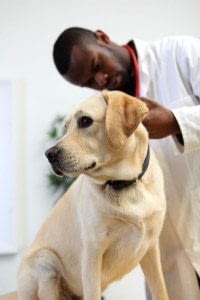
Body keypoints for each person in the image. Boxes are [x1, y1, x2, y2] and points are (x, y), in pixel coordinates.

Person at [53, 27, 200, 300]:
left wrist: (175, 121)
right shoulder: (107, 115)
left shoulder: (181, 53)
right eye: (89, 82)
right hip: (168, 255)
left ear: (103, 37)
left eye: (97, 65)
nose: (100, 79)